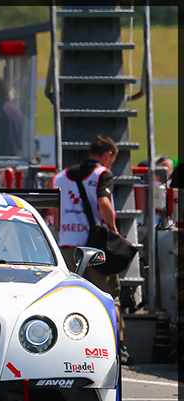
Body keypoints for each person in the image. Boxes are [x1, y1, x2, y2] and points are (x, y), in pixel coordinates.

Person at [53, 135, 128, 363]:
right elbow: (104, 203)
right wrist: (113, 230)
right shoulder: (102, 175)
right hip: (94, 248)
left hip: (66, 245)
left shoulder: (60, 177)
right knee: (109, 298)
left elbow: (54, 211)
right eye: (112, 160)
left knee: (69, 298)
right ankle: (117, 348)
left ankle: (68, 348)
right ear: (108, 155)